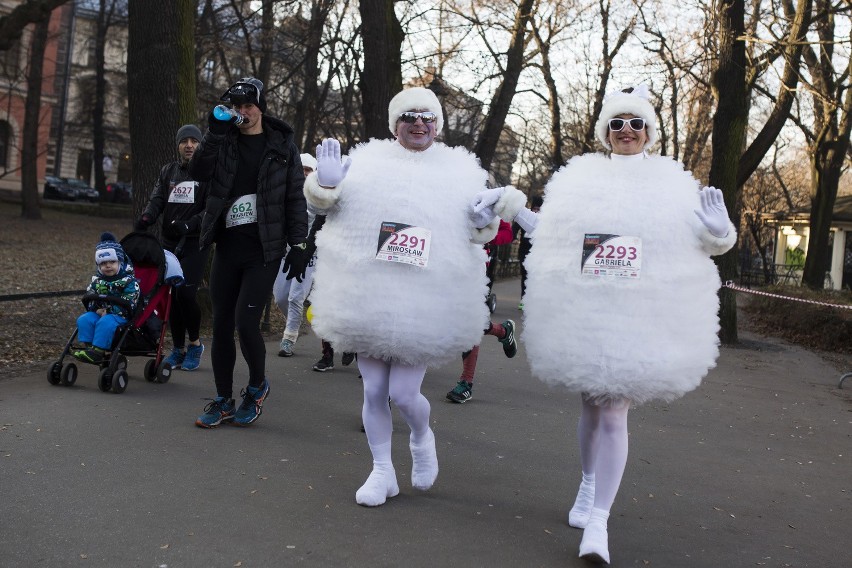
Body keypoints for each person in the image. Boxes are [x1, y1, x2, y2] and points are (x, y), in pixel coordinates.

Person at [476, 84, 737, 564]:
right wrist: (516, 211)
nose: (626, 132)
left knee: (615, 410)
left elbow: (703, 239)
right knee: (591, 410)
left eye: (635, 123)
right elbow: (552, 231)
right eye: (617, 123)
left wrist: (720, 231)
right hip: (587, 311)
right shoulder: (581, 177)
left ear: (649, 131)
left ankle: (599, 519)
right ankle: (588, 483)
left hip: (636, 316)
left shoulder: (672, 183)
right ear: (605, 131)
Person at [304, 87, 502, 506]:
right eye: (409, 116)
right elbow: (326, 209)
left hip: (423, 301)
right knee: (373, 391)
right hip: (370, 294)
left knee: (405, 395)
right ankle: (382, 472)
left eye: (426, 116)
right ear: (395, 123)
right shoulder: (367, 162)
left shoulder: (459, 170)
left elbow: (476, 231)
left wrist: (484, 221)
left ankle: (421, 436)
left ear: (438, 124)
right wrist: (324, 184)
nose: (418, 123)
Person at [189, 77, 310, 428]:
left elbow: (294, 198)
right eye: (237, 108)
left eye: (249, 106)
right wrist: (214, 131)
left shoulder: (281, 145)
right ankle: (223, 399)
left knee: (246, 321)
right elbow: (196, 171)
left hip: (264, 248)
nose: (243, 113)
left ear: (260, 107)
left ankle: (256, 386)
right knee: (222, 325)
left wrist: (300, 243)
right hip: (228, 244)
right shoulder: (224, 140)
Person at [135, 124, 210, 371]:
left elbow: (211, 209)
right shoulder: (169, 171)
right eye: (184, 141)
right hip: (168, 243)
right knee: (172, 296)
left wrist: (190, 225)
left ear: (200, 145)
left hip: (194, 242)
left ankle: (195, 344)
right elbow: (157, 198)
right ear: (178, 145)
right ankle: (178, 349)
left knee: (186, 294)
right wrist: (147, 218)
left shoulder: (208, 173)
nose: (189, 145)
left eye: (194, 141)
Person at [446, 220, 518, 404]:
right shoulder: (448, 200)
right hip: (451, 270)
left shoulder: (482, 202)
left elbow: (507, 232)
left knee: (471, 326)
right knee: (453, 322)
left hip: (478, 274)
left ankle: (466, 383)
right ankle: (503, 331)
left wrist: (487, 239)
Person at [273, 153, 319, 358]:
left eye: (308, 170)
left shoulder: (319, 195)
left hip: (309, 254)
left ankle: (289, 339)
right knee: (281, 297)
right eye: (301, 169)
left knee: (295, 297)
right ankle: (294, 322)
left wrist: (309, 248)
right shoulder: (284, 191)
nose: (304, 173)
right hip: (286, 252)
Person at [73, 232, 140, 364]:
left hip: (121, 315)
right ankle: (90, 347)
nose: (108, 266)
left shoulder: (129, 282)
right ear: (98, 265)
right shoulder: (97, 281)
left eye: (112, 262)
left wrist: (109, 311)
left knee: (106, 321)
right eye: (103, 263)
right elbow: (90, 295)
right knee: (84, 319)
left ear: (120, 262)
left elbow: (130, 302)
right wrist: (95, 308)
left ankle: (97, 352)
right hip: (100, 312)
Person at [512, 194, 542, 310]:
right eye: (534, 209)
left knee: (535, 276)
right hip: (525, 249)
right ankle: (524, 299)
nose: (536, 211)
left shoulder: (544, 219)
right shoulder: (527, 216)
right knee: (525, 275)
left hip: (538, 251)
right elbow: (515, 227)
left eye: (538, 209)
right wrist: (514, 237)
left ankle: (534, 300)